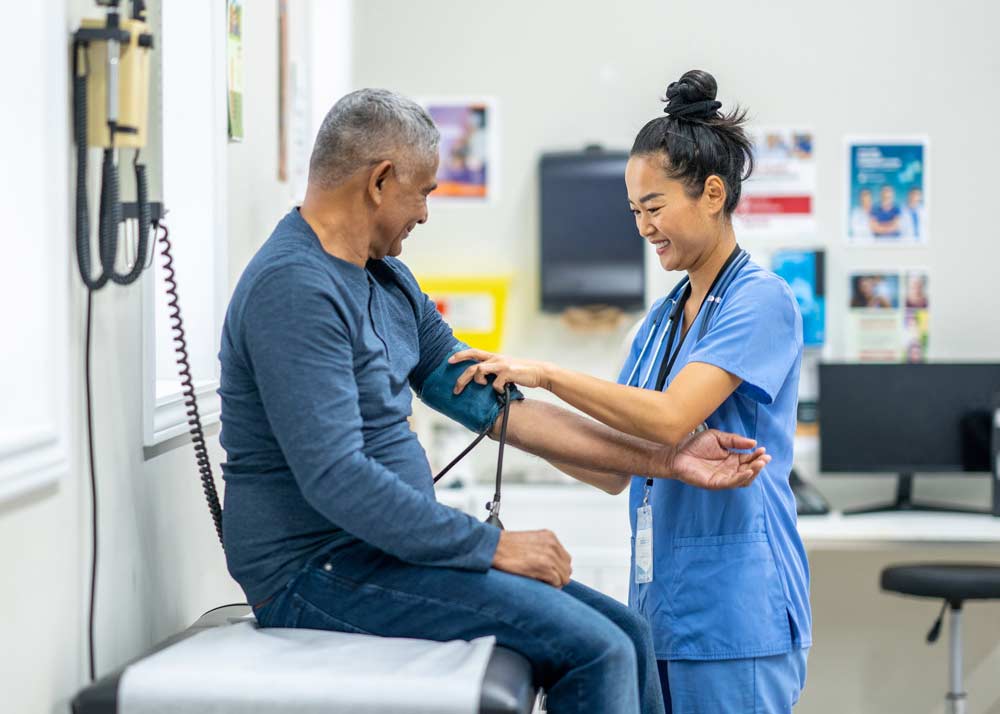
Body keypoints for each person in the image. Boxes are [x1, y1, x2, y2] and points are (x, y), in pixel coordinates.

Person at [218, 88, 771, 714]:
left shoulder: (387, 278)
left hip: (385, 555)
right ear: (379, 181)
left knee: (629, 635)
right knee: (599, 650)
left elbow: (500, 408)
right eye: (423, 192)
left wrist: (666, 460)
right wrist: (492, 547)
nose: (425, 214)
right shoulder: (294, 287)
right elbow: (336, 479)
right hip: (315, 572)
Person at [450, 70, 811, 713]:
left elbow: (671, 420)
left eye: (655, 207)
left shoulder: (761, 301)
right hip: (664, 607)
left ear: (712, 194)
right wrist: (509, 416)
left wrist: (548, 372)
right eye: (634, 212)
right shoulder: (663, 318)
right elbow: (614, 465)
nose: (643, 227)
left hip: (735, 612)